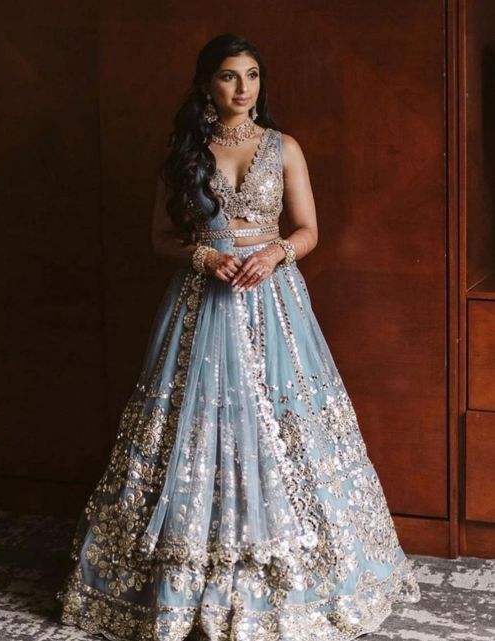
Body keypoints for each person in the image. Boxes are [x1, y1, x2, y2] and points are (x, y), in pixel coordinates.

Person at [56, 33, 421, 641]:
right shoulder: (186, 152)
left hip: (273, 303)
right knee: (195, 426)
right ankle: (180, 585)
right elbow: (160, 238)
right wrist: (203, 256)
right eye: (229, 75)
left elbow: (308, 229)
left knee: (281, 422)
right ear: (208, 83)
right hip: (203, 303)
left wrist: (276, 253)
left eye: (252, 75)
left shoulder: (284, 147)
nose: (243, 87)